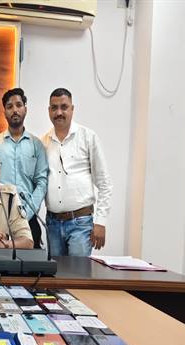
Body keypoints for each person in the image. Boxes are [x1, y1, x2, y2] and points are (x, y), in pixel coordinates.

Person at [41, 88, 112, 256]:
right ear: (49, 110)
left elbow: (104, 183)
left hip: (80, 224)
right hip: (52, 224)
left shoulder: (87, 137)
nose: (59, 112)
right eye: (54, 107)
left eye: (64, 107)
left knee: (78, 271)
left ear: (72, 109)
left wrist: (101, 222)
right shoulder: (43, 142)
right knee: (56, 272)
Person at [0, 88, 48, 248]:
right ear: (4, 112)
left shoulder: (37, 145)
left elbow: (42, 182)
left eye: (19, 105)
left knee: (31, 263)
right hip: (0, 218)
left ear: (25, 109)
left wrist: (27, 213)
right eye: (9, 106)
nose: (15, 110)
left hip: (29, 218)